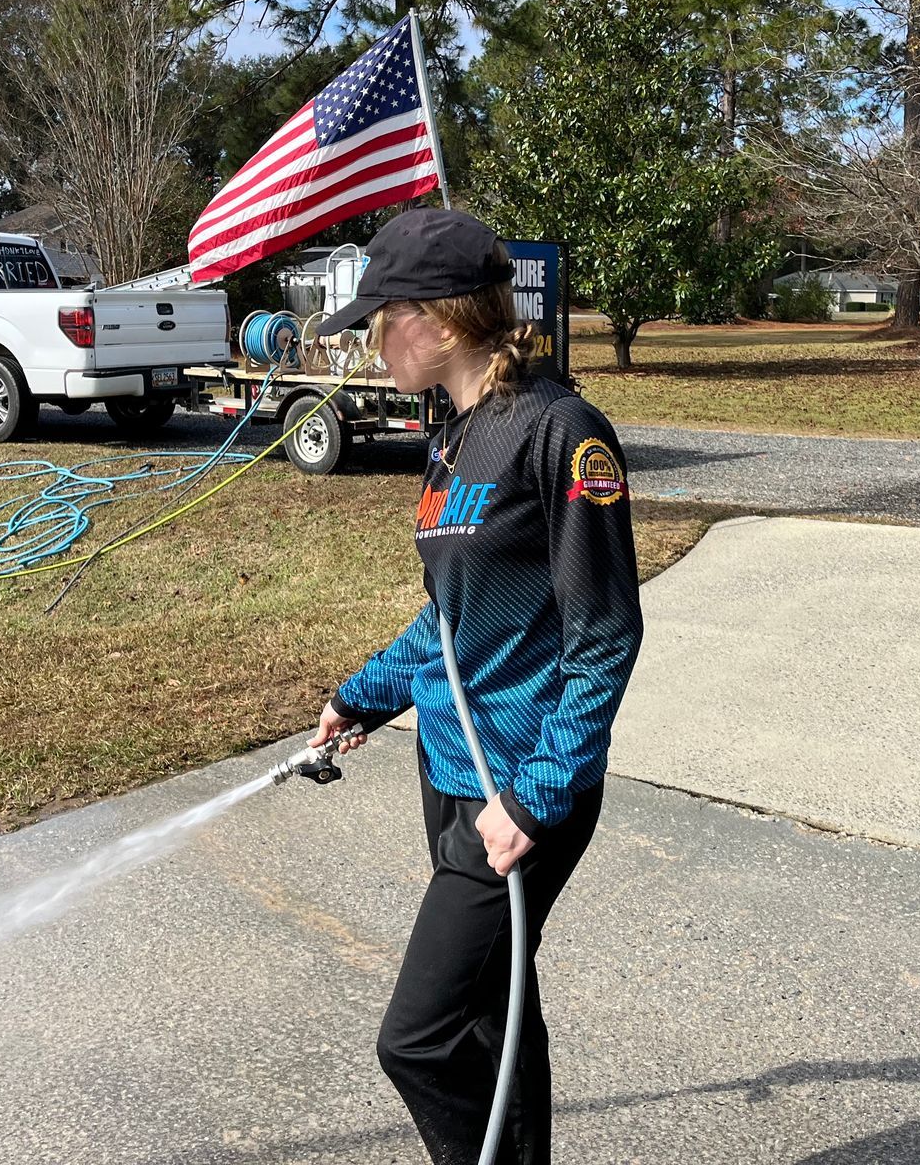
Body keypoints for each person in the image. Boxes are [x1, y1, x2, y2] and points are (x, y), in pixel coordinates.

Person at [307, 207, 644, 1165]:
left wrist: (537, 798)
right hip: (451, 771)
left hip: (520, 788)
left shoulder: (562, 431)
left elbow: (606, 633)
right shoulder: (455, 435)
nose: (371, 339)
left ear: (442, 323)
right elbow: (447, 620)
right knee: (495, 1019)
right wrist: (364, 693)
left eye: (384, 318)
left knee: (417, 1039)